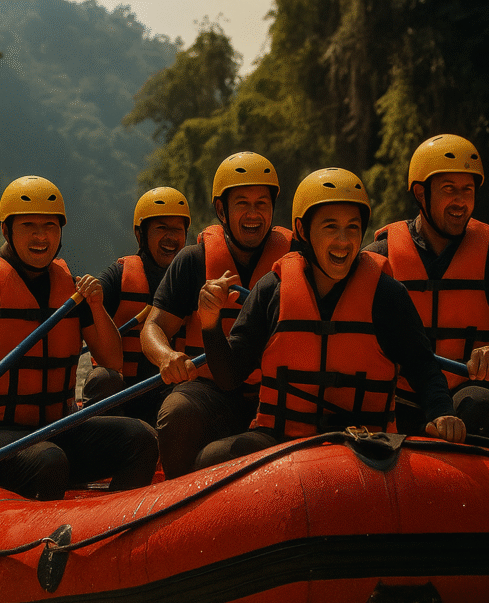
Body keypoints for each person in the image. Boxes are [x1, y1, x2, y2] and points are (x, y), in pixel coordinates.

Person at [194, 168, 465, 467]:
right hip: (281, 440)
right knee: (211, 458)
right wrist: (210, 324)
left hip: (365, 444)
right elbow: (230, 376)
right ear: (302, 230)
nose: (343, 241)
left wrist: (442, 412)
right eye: (330, 227)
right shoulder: (272, 290)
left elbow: (423, 367)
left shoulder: (387, 295)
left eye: (352, 228)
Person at [0, 175, 158, 500]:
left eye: (50, 226)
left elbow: (113, 362)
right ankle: (48, 541)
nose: (41, 236)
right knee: (48, 460)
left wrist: (98, 308)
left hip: (54, 428)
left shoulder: (69, 288)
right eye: (29, 225)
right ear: (6, 229)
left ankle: (119, 527)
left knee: (141, 439)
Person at [365, 134, 489, 439]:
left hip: (464, 401)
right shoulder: (379, 258)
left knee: (479, 404)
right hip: (396, 399)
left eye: (467, 190)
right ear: (421, 193)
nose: (460, 201)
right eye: (449, 189)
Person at [140, 152, 293, 478]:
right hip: (212, 392)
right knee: (177, 411)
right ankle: (177, 502)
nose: (253, 214)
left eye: (261, 204)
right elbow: (153, 327)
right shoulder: (192, 261)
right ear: (222, 209)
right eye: (242, 204)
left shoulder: (295, 261)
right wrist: (166, 356)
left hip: (279, 395)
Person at [80, 187, 191, 425]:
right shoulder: (118, 275)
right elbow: (79, 321)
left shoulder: (193, 279)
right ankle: (93, 439)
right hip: (122, 393)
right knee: (102, 378)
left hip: (170, 394)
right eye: (162, 228)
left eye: (177, 230)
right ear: (141, 234)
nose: (171, 237)